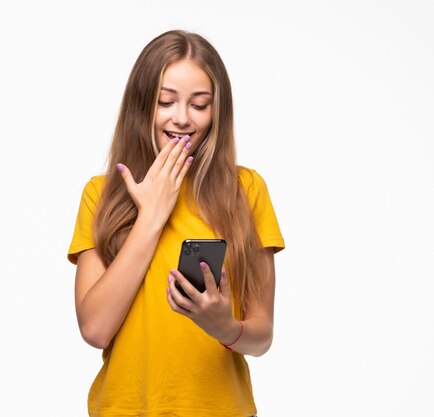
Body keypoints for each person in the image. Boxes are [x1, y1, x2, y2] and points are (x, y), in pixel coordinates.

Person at [67, 29, 285, 417]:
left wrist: (224, 327)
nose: (182, 118)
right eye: (166, 101)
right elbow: (95, 329)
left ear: (218, 112)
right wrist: (151, 216)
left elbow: (262, 335)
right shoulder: (101, 195)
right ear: (142, 105)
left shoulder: (246, 190)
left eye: (200, 105)